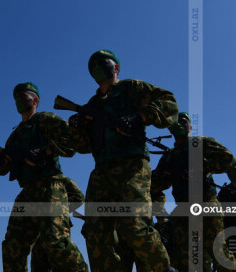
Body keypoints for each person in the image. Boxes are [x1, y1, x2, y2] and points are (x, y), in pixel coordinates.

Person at [68, 49, 178, 272]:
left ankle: (163, 269)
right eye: (93, 66)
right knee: (95, 232)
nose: (98, 68)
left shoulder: (130, 88)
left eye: (103, 64)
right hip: (101, 172)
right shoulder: (92, 104)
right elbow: (82, 147)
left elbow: (168, 101)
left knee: (134, 225)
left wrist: (140, 117)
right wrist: (76, 129)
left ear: (116, 68)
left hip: (131, 165)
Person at [0, 82, 88, 272]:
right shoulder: (16, 135)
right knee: (13, 245)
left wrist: (45, 150)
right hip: (27, 192)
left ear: (35, 100)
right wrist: (5, 157)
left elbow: (72, 143)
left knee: (56, 241)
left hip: (50, 186)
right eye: (16, 99)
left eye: (23, 97)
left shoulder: (45, 119)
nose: (19, 101)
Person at [151, 112, 236, 271]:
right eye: (176, 122)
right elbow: (155, 186)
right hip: (183, 210)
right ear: (170, 128)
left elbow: (227, 159)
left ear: (190, 127)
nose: (179, 125)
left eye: (183, 122)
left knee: (219, 254)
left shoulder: (201, 143)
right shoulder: (170, 157)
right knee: (185, 260)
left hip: (206, 203)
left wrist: (202, 165)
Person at [30, 177, 85, 272]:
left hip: (54, 224)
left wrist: (61, 212)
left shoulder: (57, 180)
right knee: (38, 257)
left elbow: (79, 198)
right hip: (39, 223)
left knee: (56, 247)